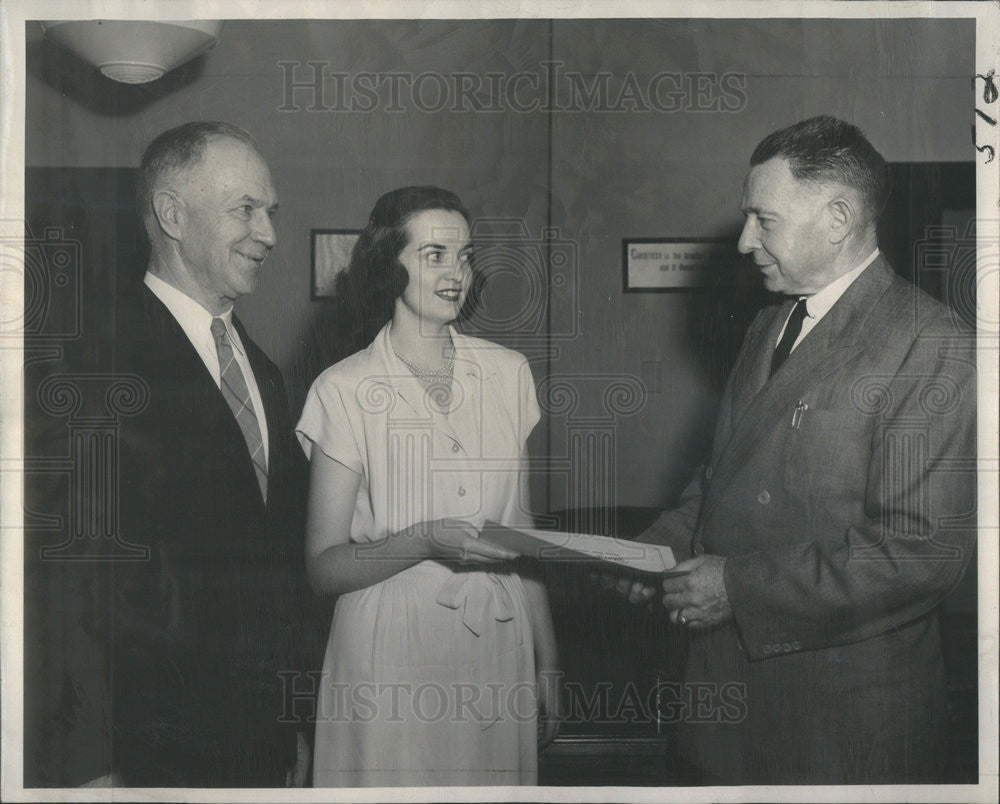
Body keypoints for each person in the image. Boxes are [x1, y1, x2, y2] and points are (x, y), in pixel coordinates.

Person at [625, 116, 976, 784]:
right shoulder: (768, 324)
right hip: (731, 710)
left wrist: (733, 587)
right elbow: (722, 479)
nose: (744, 240)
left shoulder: (929, 342)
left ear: (839, 217)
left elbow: (919, 554)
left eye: (765, 219)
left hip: (841, 730)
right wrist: (652, 551)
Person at [296, 186, 560, 786]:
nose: (455, 273)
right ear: (389, 264)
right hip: (389, 643)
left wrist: (550, 663)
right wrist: (423, 540)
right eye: (434, 254)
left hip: (499, 635)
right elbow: (323, 567)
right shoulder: (344, 387)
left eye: (464, 256)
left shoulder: (507, 374)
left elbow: (521, 532)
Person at [105, 121, 317, 786]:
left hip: (256, 741)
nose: (270, 234)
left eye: (270, 212)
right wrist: (85, 763)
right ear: (172, 214)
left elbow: (283, 566)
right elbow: (68, 581)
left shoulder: (264, 374)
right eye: (244, 210)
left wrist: (292, 724)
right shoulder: (98, 360)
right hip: (145, 749)